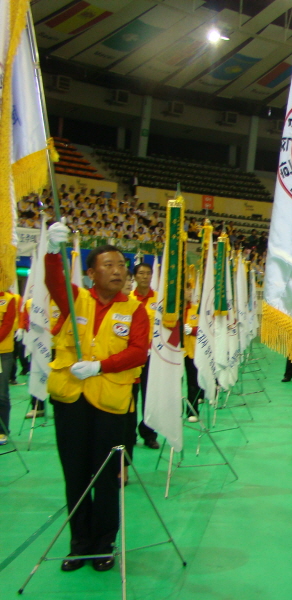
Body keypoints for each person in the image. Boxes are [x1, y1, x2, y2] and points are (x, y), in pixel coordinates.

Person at [44, 221, 149, 572]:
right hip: (71, 400)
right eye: (109, 265)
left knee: (106, 477)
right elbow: (54, 282)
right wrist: (49, 251)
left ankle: (105, 542)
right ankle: (79, 544)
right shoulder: (75, 299)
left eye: (121, 265)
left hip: (110, 405)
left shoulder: (135, 310)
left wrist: (100, 365)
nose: (118, 271)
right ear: (91, 274)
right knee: (74, 474)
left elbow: (138, 352)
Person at [129, 263, 159, 451]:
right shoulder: (127, 298)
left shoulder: (159, 299)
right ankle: (129, 434)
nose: (145, 277)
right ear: (135, 276)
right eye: (141, 273)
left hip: (153, 356)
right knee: (130, 396)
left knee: (150, 396)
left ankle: (149, 434)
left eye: (148, 273)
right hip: (132, 356)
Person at [0, 287, 19, 444]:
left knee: (1, 393)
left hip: (3, 353)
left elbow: (7, 324)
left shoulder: (9, 299)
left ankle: (2, 430)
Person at [182, 282, 202, 423]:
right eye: (186, 289)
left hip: (192, 351)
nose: (189, 292)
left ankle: (192, 410)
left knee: (193, 382)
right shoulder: (171, 311)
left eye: (190, 289)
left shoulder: (196, 309)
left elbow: (205, 330)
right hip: (176, 351)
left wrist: (192, 330)